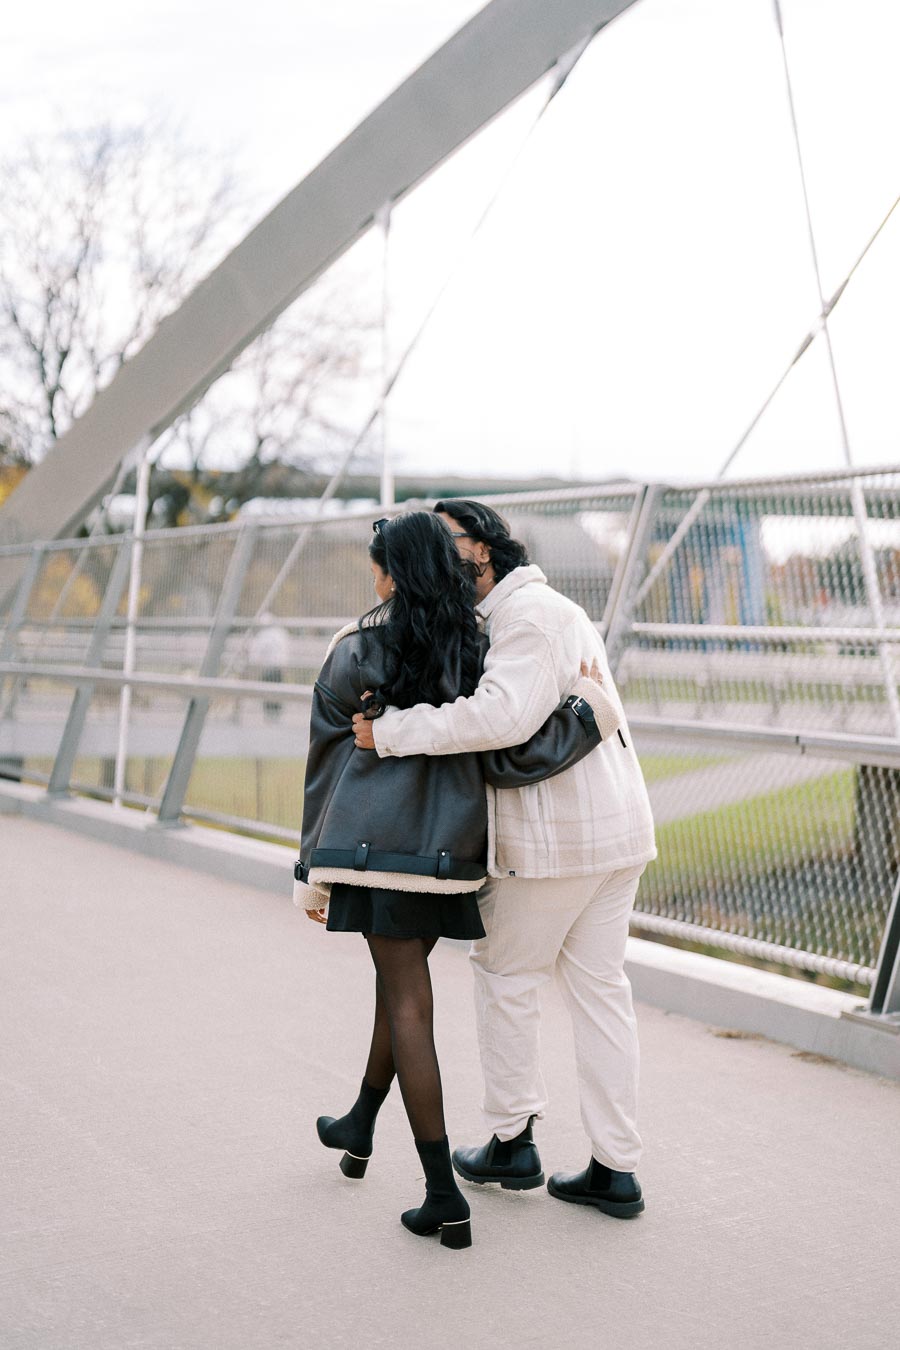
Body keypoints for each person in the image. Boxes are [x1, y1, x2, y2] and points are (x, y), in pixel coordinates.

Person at [294, 512, 614, 1249]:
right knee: (396, 981)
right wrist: (585, 717)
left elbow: (325, 768)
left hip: (376, 853)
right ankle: (360, 1123)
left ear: (390, 575)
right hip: (450, 860)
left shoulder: (357, 652)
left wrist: (310, 873)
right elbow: (505, 752)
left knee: (406, 999)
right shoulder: (477, 649)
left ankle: (443, 1196)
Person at [352, 500, 657, 1219]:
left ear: (484, 549)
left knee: (506, 977)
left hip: (557, 845)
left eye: (448, 539)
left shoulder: (526, 617)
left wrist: (392, 733)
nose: (434, 551)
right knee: (601, 995)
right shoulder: (547, 614)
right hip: (614, 836)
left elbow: (501, 719)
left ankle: (512, 1141)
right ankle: (616, 1168)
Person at [248, 611, 291, 720]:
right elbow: (286, 649)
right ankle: (276, 712)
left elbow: (256, 652)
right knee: (277, 689)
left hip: (268, 667)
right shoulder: (281, 633)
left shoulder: (263, 635)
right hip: (279, 667)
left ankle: (269, 713)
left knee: (267, 690)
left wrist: (253, 662)